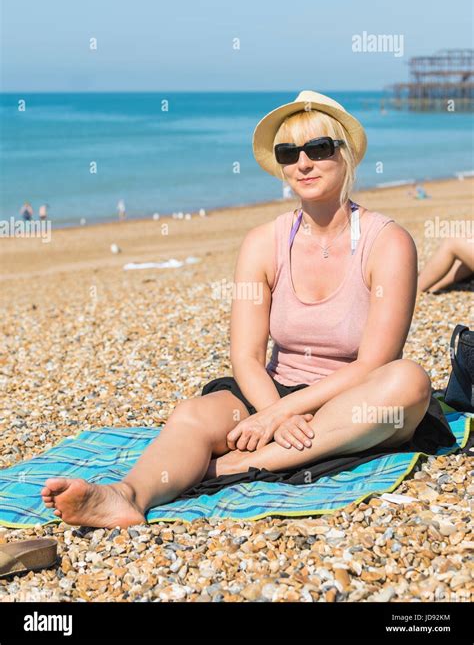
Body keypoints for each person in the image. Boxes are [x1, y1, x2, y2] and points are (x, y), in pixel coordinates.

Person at [41, 90, 446, 528]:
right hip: (272, 389)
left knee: (409, 382)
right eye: (289, 153)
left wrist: (278, 419)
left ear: (346, 154)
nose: (303, 163)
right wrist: (274, 408)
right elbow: (247, 357)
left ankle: (226, 468)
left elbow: (375, 362)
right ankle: (126, 494)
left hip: (353, 399)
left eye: (318, 148)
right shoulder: (262, 243)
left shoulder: (386, 242)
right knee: (192, 415)